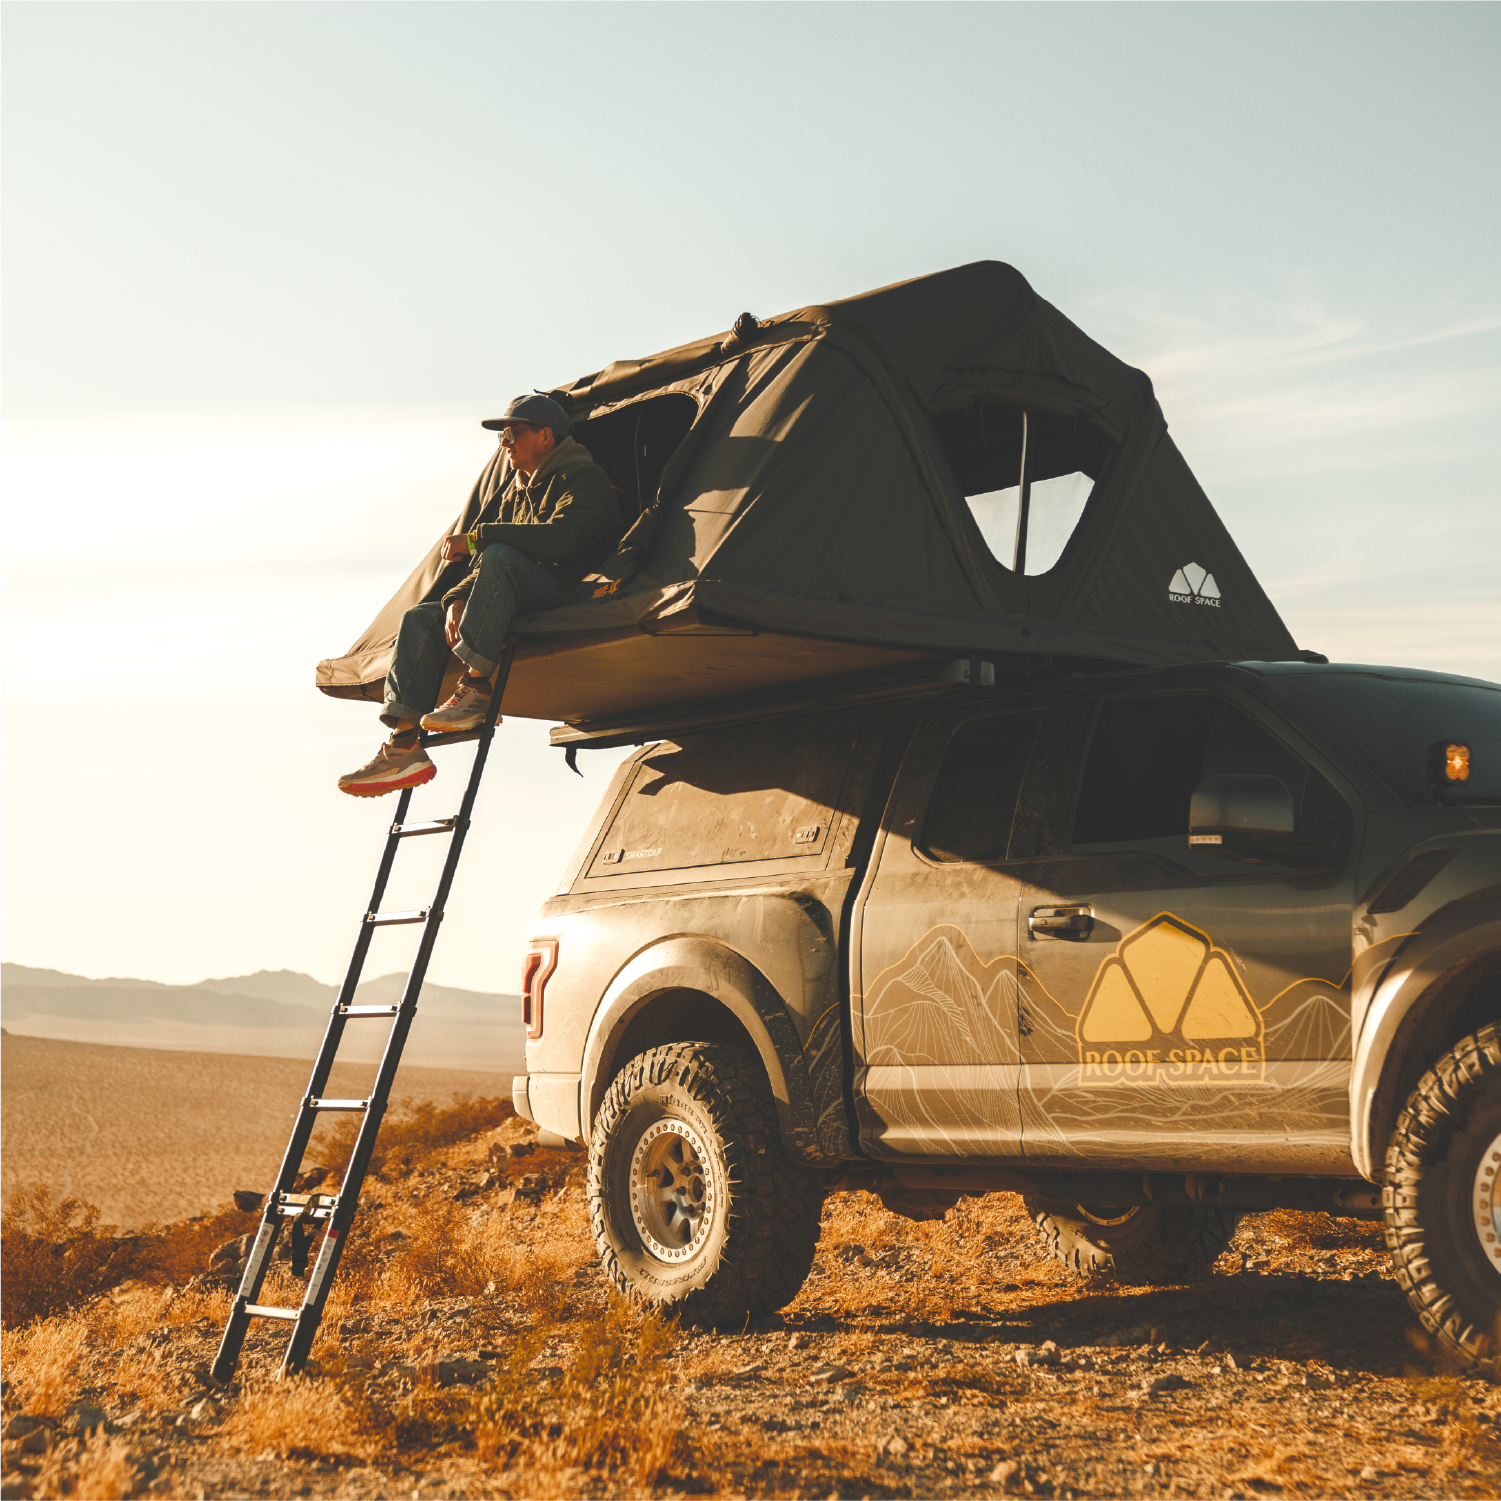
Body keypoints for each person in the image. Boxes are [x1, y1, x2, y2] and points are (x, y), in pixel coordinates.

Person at [338, 394, 620, 797]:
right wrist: (455, 599)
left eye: (512, 432)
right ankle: (404, 747)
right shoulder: (514, 492)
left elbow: (562, 540)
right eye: (501, 434)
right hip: (512, 589)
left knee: (501, 554)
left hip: (564, 591)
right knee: (420, 617)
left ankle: (477, 689)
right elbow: (484, 563)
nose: (504, 441)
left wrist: (480, 537)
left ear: (544, 437)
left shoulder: (582, 477)